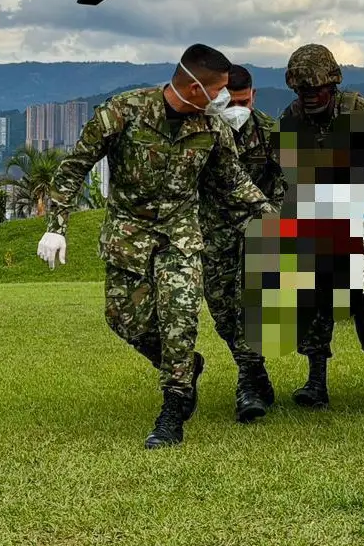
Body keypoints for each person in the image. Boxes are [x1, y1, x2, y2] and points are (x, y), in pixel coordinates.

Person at [36, 45, 274, 448]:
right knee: (123, 319)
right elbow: (76, 165)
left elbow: (232, 181)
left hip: (180, 235)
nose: (222, 97)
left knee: (179, 320)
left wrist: (271, 215)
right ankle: (185, 368)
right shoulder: (123, 111)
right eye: (217, 89)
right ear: (195, 87)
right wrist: (56, 225)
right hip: (128, 234)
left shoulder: (212, 127)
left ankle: (173, 410)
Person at [280, 43, 364, 407]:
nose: (310, 97)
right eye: (303, 91)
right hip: (319, 218)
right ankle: (316, 382)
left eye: (316, 90)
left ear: (332, 85)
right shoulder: (292, 117)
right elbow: (291, 174)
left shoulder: (357, 111)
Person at [198, 65, 285, 422]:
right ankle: (255, 371)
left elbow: (286, 181)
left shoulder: (269, 132)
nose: (237, 109)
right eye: (230, 102)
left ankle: (247, 383)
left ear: (254, 96)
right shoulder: (202, 130)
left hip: (259, 226)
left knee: (249, 302)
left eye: (243, 101)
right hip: (214, 229)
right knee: (221, 310)